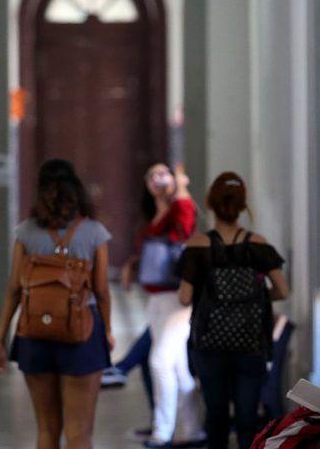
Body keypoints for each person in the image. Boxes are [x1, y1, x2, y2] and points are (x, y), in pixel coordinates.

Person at [0, 159, 115, 449]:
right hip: (81, 335)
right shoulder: (95, 232)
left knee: (46, 431)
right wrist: (106, 330)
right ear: (76, 190)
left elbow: (14, 290)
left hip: (34, 336)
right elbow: (102, 290)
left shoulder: (26, 232)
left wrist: (0, 338)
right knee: (79, 432)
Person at [176, 172, 290, 449]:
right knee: (247, 418)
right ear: (243, 206)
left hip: (209, 344)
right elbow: (283, 291)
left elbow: (184, 297)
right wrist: (258, 298)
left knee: (216, 416)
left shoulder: (197, 247)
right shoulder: (258, 244)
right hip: (251, 344)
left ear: (211, 204)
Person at [125, 162, 203, 448]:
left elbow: (184, 228)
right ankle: (193, 429)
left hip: (177, 296)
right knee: (178, 368)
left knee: (158, 361)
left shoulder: (180, 207)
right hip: (157, 297)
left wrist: (181, 187)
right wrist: (130, 267)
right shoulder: (154, 215)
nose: (158, 179)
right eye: (152, 175)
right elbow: (146, 249)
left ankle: (163, 430)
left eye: (163, 173)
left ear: (173, 177)